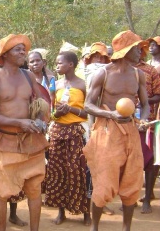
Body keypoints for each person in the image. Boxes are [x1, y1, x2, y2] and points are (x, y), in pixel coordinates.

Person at [83, 30, 150, 231]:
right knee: (103, 183)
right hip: (106, 131)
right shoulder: (102, 74)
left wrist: (143, 118)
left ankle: (126, 228)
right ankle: (95, 227)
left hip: (130, 131)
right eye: (136, 49)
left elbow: (145, 104)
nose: (140, 53)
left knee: (132, 180)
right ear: (125, 51)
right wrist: (111, 114)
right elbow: (88, 105)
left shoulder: (138, 75)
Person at [0, 34, 49, 231]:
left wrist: (39, 119)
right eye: (18, 49)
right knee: (2, 193)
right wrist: (19, 123)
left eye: (24, 49)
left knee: (35, 191)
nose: (23, 52)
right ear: (5, 54)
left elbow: (38, 102)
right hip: (4, 143)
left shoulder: (28, 76)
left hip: (31, 143)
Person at [44, 51, 90, 226]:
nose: (56, 66)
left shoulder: (83, 85)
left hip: (76, 132)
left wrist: (70, 110)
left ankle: (85, 212)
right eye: (56, 64)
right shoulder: (55, 84)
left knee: (77, 171)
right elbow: (51, 112)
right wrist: (58, 113)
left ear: (71, 64)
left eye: (59, 63)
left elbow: (88, 111)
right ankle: (61, 211)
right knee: (58, 172)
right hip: (58, 131)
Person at [83, 42, 115, 216]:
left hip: (107, 126)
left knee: (104, 165)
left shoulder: (109, 74)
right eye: (95, 56)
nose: (98, 60)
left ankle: (101, 201)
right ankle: (93, 202)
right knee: (91, 166)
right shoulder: (87, 73)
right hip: (89, 126)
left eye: (101, 57)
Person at [132, 42, 160, 214]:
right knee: (128, 162)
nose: (138, 53)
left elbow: (159, 95)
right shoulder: (117, 70)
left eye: (140, 50)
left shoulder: (151, 70)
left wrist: (143, 103)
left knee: (149, 160)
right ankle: (129, 198)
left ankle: (147, 199)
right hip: (124, 122)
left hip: (147, 121)